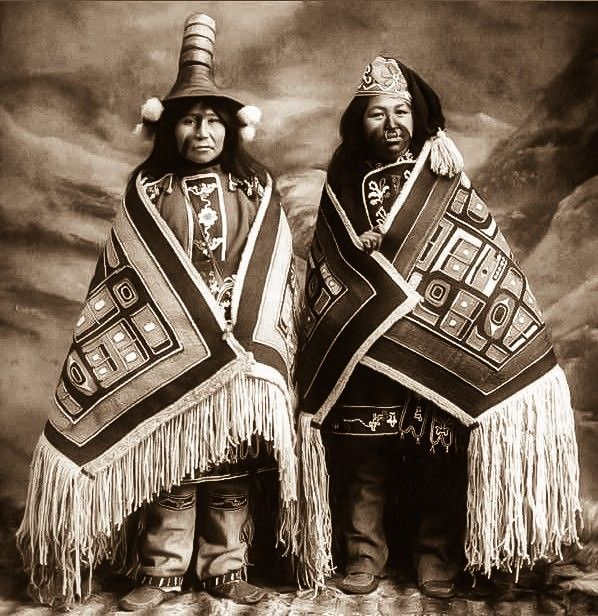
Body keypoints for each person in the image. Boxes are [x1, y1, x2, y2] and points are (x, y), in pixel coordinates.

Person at [17, 13, 299, 609]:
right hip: (171, 348)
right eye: (189, 120)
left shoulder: (254, 192)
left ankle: (225, 566)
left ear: (233, 129)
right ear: (168, 128)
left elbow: (274, 265)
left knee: (231, 466)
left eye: (214, 121)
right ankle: (162, 570)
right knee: (173, 463)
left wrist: (246, 331)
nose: (202, 132)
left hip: (238, 349)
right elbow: (127, 275)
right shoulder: (149, 194)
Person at [295, 56, 581, 598]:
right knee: (363, 457)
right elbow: (330, 260)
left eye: (401, 111)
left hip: (435, 338)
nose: (391, 124)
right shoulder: (343, 178)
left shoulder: (442, 172)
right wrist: (364, 260)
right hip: (367, 344)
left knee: (437, 454)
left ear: (417, 115)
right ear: (358, 121)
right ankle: (363, 555)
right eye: (377, 113)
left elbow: (476, 253)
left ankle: (435, 555)